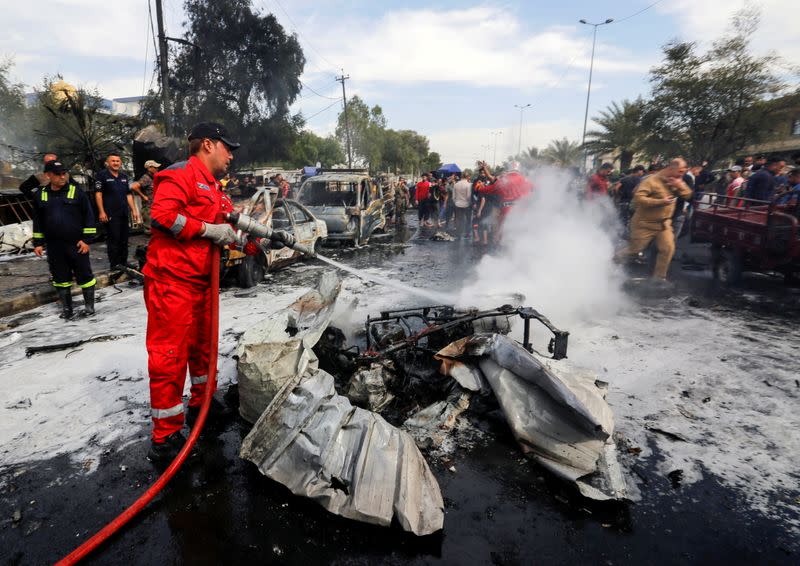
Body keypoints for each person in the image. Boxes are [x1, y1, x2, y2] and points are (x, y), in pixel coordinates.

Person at [31, 161, 97, 318]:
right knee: (60, 278)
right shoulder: (41, 195)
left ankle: (89, 307)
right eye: (58, 174)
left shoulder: (77, 192)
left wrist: (87, 240)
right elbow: (38, 222)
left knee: (85, 276)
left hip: (77, 244)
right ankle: (67, 309)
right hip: (54, 247)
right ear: (48, 175)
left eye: (64, 173)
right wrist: (38, 243)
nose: (63, 177)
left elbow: (89, 216)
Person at [615, 158, 693, 282]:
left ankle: (659, 279)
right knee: (636, 249)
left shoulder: (677, 181)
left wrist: (680, 186)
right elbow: (638, 198)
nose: (682, 174)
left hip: (664, 224)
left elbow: (689, 196)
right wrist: (660, 202)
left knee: (668, 249)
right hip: (644, 223)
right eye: (680, 171)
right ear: (671, 168)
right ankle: (614, 260)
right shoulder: (651, 181)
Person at [95, 152, 141, 269]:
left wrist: (134, 211)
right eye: (113, 161)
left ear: (120, 163)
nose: (115, 163)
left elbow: (128, 195)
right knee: (114, 240)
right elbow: (98, 194)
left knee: (124, 239)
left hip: (123, 213)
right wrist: (101, 211)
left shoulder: (124, 177)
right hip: (110, 213)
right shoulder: (102, 176)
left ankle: (123, 262)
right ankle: (115, 264)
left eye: (117, 161)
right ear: (107, 163)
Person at [613, 165, 645, 232]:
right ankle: (627, 236)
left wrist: (619, 196)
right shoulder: (639, 180)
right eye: (642, 171)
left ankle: (619, 236)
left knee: (622, 221)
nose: (643, 173)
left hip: (623, 202)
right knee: (632, 221)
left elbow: (616, 188)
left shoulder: (624, 179)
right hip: (633, 204)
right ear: (639, 171)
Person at [130, 159, 161, 228]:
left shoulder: (152, 178)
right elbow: (134, 186)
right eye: (155, 167)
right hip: (148, 208)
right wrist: (143, 196)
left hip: (154, 207)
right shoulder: (146, 177)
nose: (157, 169)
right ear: (149, 168)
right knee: (149, 230)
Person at [452, 173, 472, 238]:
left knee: (459, 219)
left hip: (457, 204)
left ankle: (458, 233)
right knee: (468, 220)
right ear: (467, 177)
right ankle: (467, 233)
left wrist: (456, 202)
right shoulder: (468, 185)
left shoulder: (456, 184)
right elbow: (468, 196)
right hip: (466, 204)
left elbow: (453, 197)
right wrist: (469, 203)